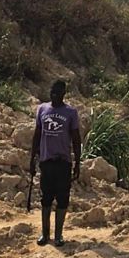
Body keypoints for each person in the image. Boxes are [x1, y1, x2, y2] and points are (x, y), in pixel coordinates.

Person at [29, 80, 82, 247]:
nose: (54, 95)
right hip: (47, 162)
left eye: (58, 93)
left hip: (63, 162)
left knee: (62, 198)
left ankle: (58, 235)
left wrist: (78, 163)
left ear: (64, 94)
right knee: (45, 198)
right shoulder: (42, 109)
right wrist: (32, 159)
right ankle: (45, 234)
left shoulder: (70, 112)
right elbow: (37, 135)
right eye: (52, 92)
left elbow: (75, 138)